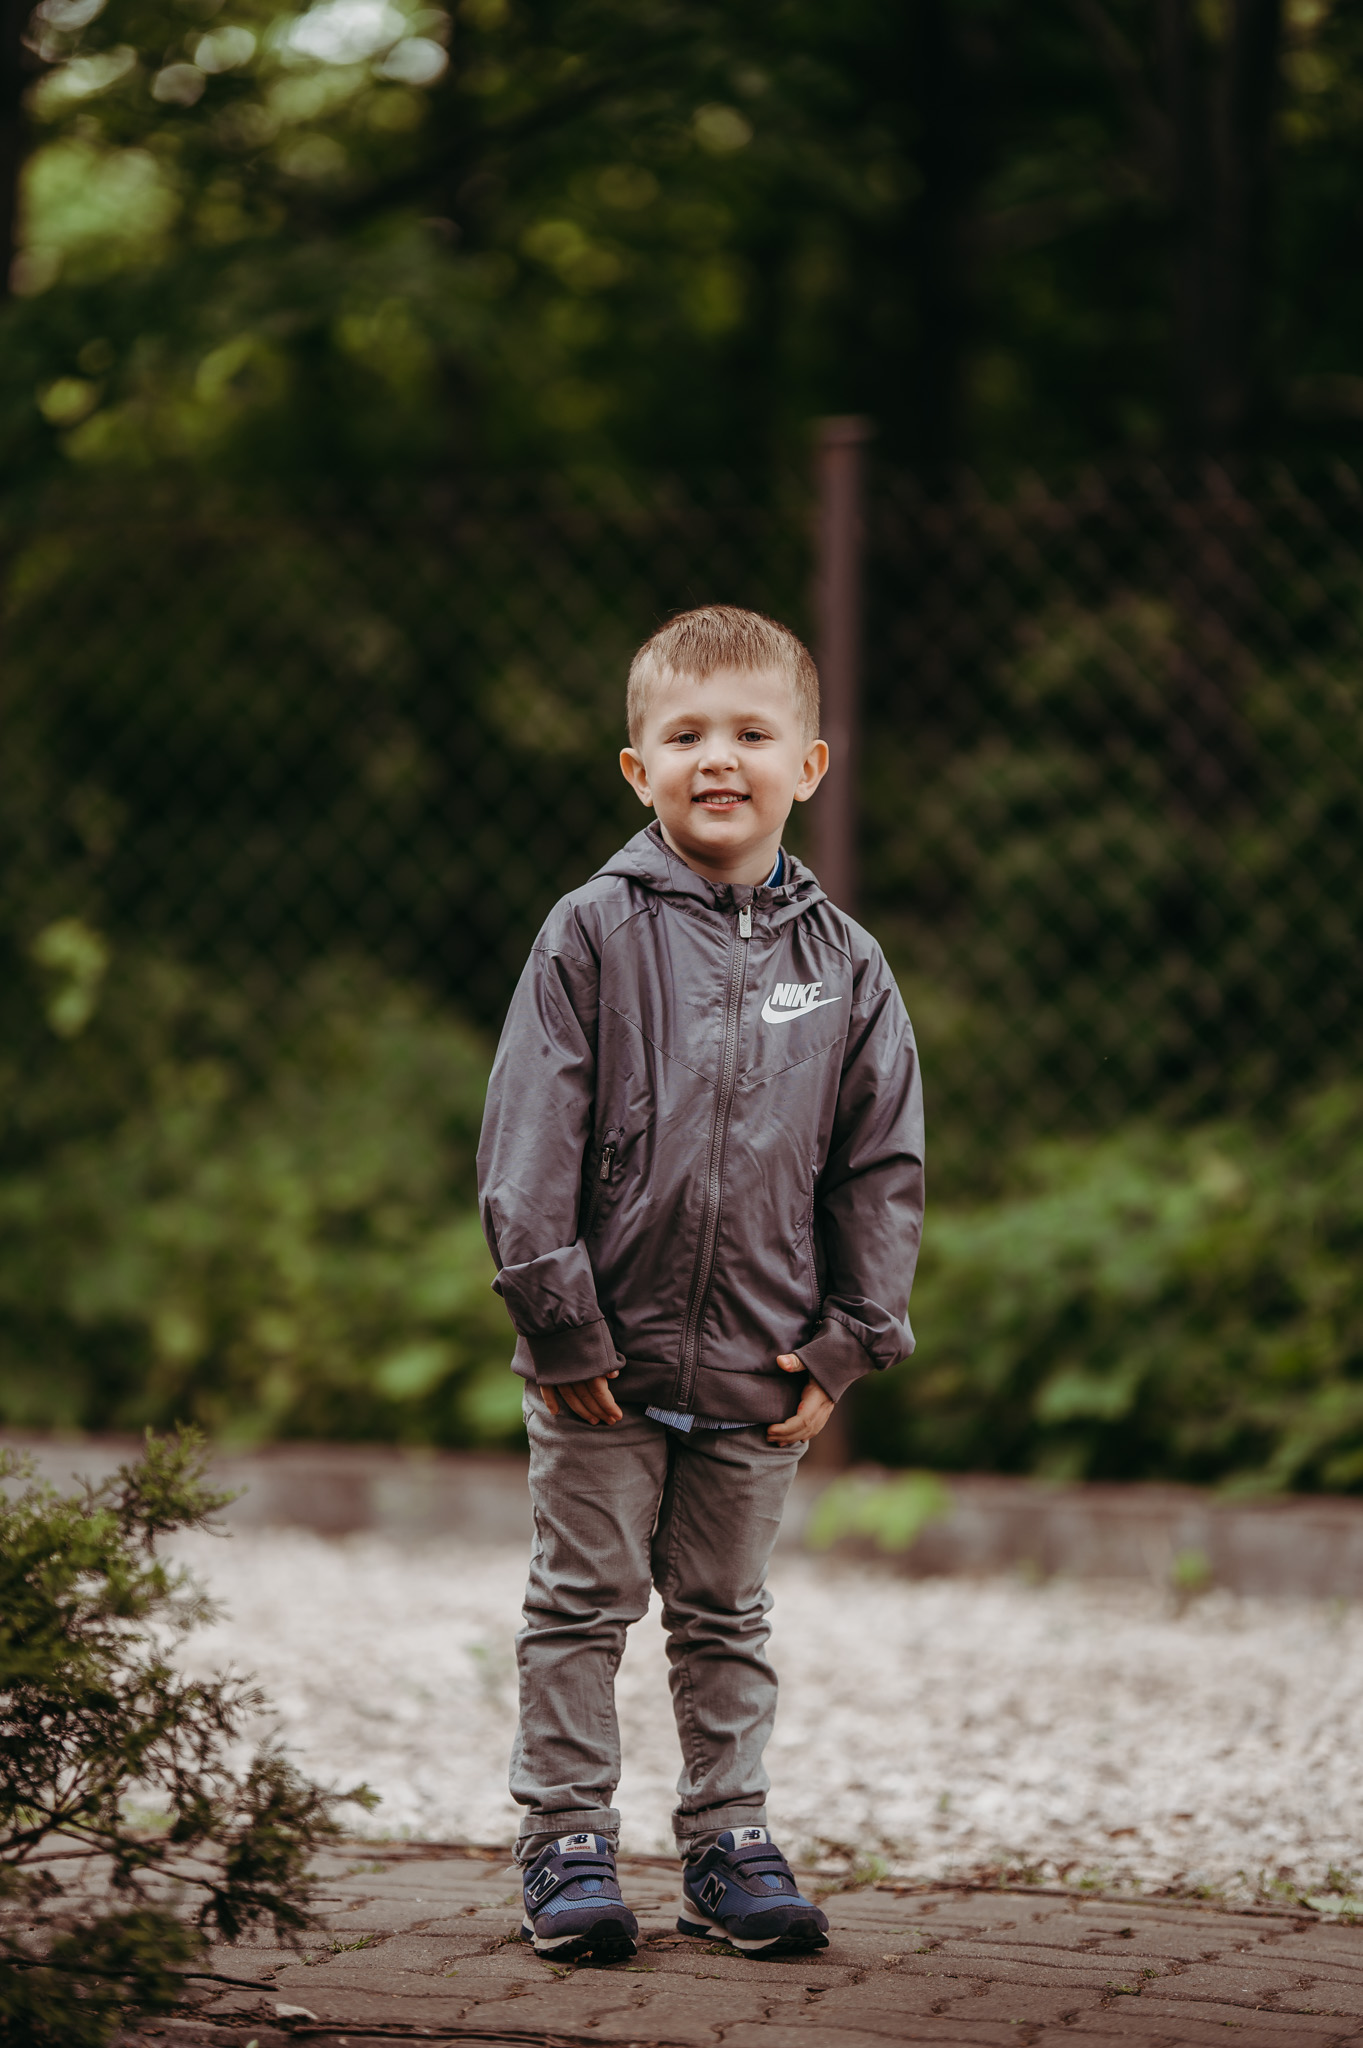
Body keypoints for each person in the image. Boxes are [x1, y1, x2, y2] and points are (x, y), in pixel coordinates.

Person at [476, 604, 924, 1963]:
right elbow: (528, 1141)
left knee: (728, 1615)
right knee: (579, 1607)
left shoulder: (846, 966)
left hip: (759, 1365)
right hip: (600, 1367)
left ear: (810, 765)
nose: (717, 758)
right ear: (638, 770)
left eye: (750, 734)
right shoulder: (589, 935)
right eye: (684, 735)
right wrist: (560, 1325)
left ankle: (728, 1844)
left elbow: (880, 1167)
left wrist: (847, 1342)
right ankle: (565, 1843)